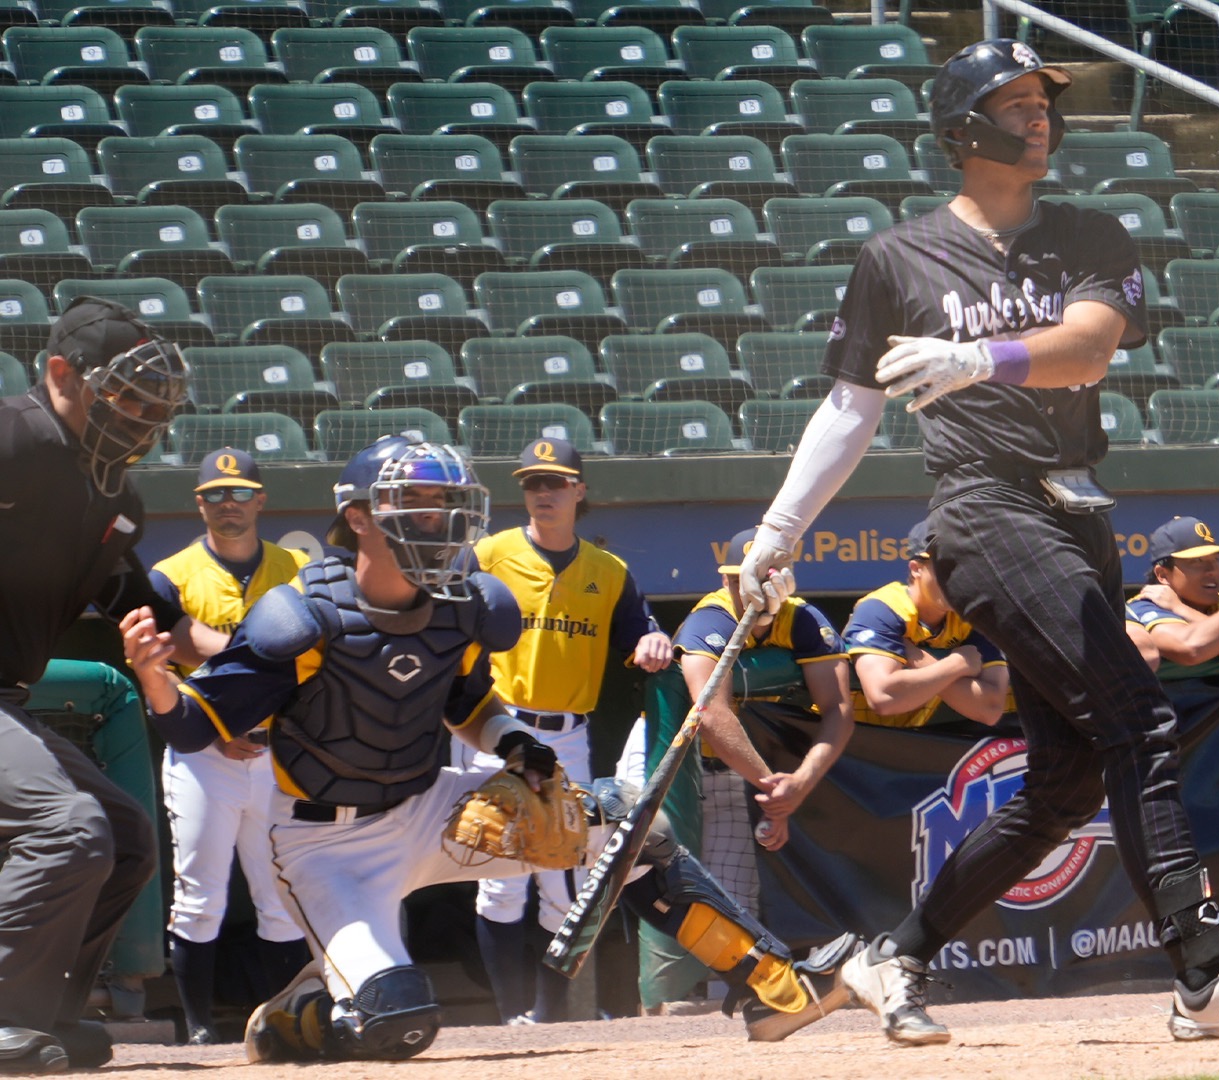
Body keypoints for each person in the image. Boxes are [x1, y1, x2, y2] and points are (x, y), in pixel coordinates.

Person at [731, 37, 1219, 1045]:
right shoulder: (897, 256)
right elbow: (850, 408)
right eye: (1014, 102)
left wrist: (978, 355)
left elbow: (1090, 347)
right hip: (982, 509)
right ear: (964, 128)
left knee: (1064, 780)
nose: (1040, 114)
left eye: (1042, 99)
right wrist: (779, 530)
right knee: (1139, 721)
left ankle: (894, 956)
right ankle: (1208, 977)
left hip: (1078, 514)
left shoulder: (1093, 234)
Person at [120, 436, 856, 1061]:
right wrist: (155, 679)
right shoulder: (299, 617)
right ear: (358, 517)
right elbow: (192, 728)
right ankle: (302, 1015)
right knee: (403, 1021)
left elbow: (467, 703)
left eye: (444, 505)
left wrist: (518, 749)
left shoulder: (464, 602)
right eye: (415, 505)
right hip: (325, 847)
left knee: (632, 823)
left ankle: (776, 985)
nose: (437, 521)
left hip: (428, 805)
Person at [0, 297, 207, 1075]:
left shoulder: (115, 495)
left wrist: (267, 669)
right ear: (60, 373)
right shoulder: (13, 438)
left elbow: (150, 615)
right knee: (69, 826)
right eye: (125, 394)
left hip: (6, 698)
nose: (143, 415)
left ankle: (43, 1013)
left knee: (124, 840)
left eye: (155, 403)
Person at [461, 438, 674, 1025]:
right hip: (496, 728)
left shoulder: (609, 571)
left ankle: (548, 1016)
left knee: (565, 882)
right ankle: (508, 1021)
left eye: (555, 482)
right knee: (500, 882)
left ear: (579, 490)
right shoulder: (488, 553)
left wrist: (652, 639)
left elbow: (641, 633)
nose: (543, 493)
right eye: (533, 482)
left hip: (567, 737)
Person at [148, 449, 312, 1044]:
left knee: (281, 899)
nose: (229, 503)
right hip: (204, 759)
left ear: (261, 499)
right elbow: (156, 666)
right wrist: (217, 723)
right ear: (199, 503)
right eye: (216, 494)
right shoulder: (171, 574)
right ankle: (198, 1033)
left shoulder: (297, 566)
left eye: (240, 492)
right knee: (199, 898)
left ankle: (287, 1022)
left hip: (278, 756)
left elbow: (315, 663)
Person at [673, 529, 852, 892]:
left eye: (764, 579)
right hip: (670, 768)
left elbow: (839, 710)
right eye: (743, 579)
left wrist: (797, 785)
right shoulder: (710, 618)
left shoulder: (801, 619)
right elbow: (710, 713)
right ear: (726, 579)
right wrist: (775, 793)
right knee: (643, 880)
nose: (753, 590)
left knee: (731, 901)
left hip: (733, 775)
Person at [843, 518, 1009, 728]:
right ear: (916, 568)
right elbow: (883, 699)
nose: (958, 578)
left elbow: (990, 710)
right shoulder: (882, 608)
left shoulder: (970, 617)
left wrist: (915, 657)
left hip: (908, 741)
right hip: (846, 735)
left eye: (967, 567)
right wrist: (957, 664)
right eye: (947, 567)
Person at [1127, 517, 1219, 673]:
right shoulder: (1143, 605)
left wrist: (1181, 609)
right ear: (1162, 574)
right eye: (1197, 561)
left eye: (1216, 560)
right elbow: (1191, 649)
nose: (1212, 570)